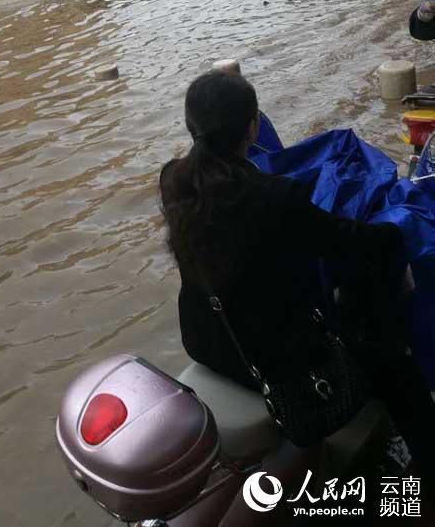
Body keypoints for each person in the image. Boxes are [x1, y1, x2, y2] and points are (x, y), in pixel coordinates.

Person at [159, 71, 435, 488]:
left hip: (206, 341)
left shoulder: (173, 180)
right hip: (278, 366)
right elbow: (351, 242)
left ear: (190, 126)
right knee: (393, 363)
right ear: (253, 126)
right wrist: (403, 227)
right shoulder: (274, 197)